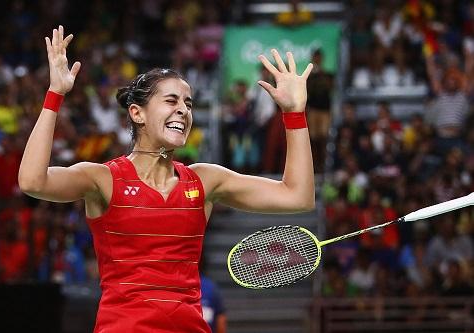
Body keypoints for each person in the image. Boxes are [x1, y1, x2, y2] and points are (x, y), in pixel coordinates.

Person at [18, 26, 315, 332]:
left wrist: (295, 114)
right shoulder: (103, 179)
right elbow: (32, 181)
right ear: (138, 113)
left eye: (188, 103)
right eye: (171, 101)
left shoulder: (204, 180)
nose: (183, 111)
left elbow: (298, 196)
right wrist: (55, 95)